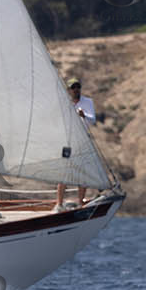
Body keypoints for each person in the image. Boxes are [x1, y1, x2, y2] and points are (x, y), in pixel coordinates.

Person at [56, 78, 97, 209]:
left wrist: (84, 115)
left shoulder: (87, 102)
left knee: (82, 174)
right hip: (67, 142)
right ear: (69, 90)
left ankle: (80, 203)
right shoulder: (64, 103)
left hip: (82, 142)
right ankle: (59, 204)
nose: (76, 89)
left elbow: (93, 121)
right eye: (73, 87)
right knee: (64, 174)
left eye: (78, 87)